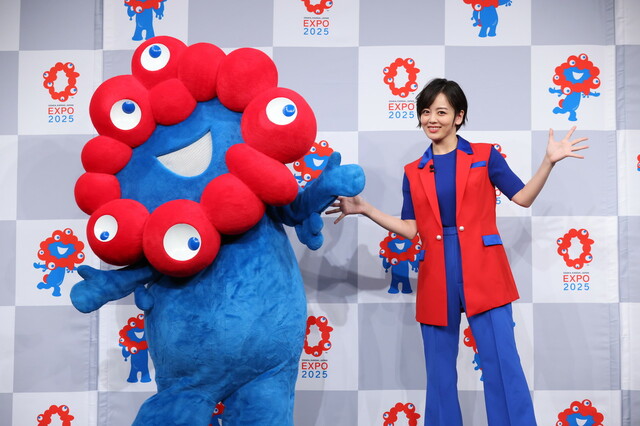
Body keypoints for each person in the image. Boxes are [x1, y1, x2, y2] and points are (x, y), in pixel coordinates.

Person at [326, 78, 588, 426]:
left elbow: (523, 197)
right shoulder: (413, 171)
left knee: (502, 366)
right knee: (439, 377)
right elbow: (412, 228)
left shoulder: (485, 155)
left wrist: (548, 162)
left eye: (441, 112)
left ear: (458, 116)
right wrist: (366, 209)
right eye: (426, 112)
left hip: (485, 269)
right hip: (437, 272)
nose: (431, 119)